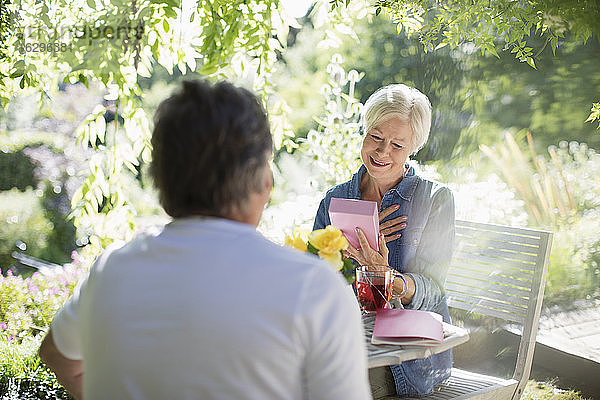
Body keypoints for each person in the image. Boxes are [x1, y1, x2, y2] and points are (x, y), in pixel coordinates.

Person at [39, 80, 372, 400]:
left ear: (161, 179)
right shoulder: (314, 290)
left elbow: (57, 354)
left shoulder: (110, 270)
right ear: (264, 181)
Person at [313, 83, 455, 398]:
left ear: (413, 147)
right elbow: (313, 283)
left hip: (409, 357)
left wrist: (386, 276)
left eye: (397, 145)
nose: (382, 152)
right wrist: (347, 262)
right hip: (347, 344)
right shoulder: (335, 200)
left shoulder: (434, 200)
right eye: (376, 137)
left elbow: (434, 290)